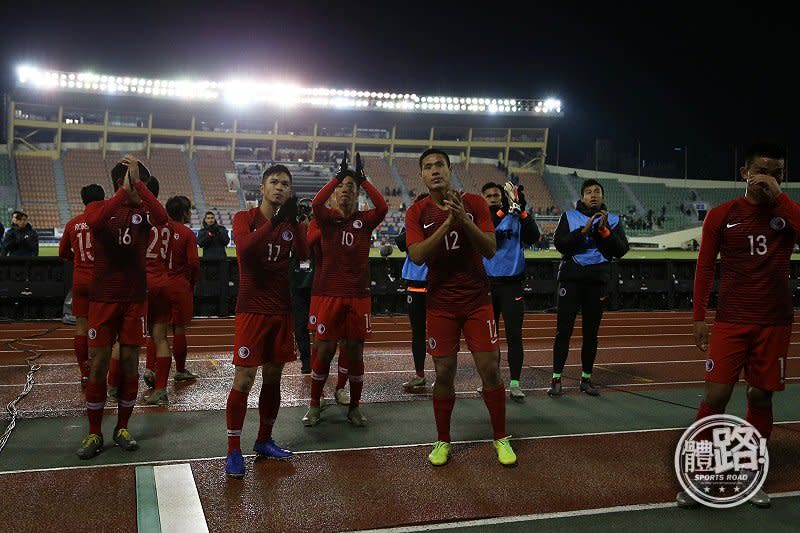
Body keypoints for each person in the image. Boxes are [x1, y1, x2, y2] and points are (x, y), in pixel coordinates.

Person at [676, 142, 797, 509]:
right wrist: (699, 317)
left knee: (760, 396)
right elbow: (705, 267)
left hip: (774, 321)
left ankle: (750, 472)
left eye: (777, 173)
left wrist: (781, 201)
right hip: (731, 320)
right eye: (762, 171)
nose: (769, 179)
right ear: (745, 173)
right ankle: (701, 476)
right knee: (716, 396)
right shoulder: (722, 214)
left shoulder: (788, 213)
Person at [405, 148, 515, 467]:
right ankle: (443, 441)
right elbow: (417, 255)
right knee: (443, 373)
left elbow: (491, 250)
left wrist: (463, 220)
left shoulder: (476, 203)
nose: (435, 170)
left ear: (450, 170)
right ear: (422, 176)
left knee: (491, 369)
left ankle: (501, 438)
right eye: (428, 167)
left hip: (478, 301)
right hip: (440, 304)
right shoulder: (417, 212)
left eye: (440, 164)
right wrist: (448, 223)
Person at [76, 155, 168, 459]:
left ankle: (122, 427)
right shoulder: (99, 206)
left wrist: (139, 185)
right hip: (103, 298)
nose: (138, 186)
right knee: (99, 365)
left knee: (129, 364)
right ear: (120, 181)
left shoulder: (145, 209)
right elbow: (94, 222)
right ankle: (94, 433)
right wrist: (121, 192)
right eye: (133, 179)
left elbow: (163, 218)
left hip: (134, 299)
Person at [224, 164, 309, 478]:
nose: (280, 188)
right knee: (244, 378)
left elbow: (302, 256)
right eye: (274, 182)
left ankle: (264, 439)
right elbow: (245, 250)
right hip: (251, 310)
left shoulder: (288, 223)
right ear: (262, 188)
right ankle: (233, 449)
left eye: (285, 184)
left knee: (273, 378)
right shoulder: (244, 218)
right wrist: (275, 221)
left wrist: (297, 223)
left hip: (281, 310)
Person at [302, 152, 387, 427]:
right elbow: (316, 202)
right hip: (328, 295)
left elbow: (383, 207)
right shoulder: (325, 218)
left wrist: (363, 180)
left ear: (358, 193)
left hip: (358, 296)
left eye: (350, 187)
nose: (344, 191)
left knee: (355, 352)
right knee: (324, 351)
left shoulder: (366, 219)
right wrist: (337, 177)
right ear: (334, 192)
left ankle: (354, 407)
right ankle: (314, 404)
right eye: (340, 187)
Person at [548, 179, 629, 397]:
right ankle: (556, 379)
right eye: (588, 192)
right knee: (563, 331)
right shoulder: (569, 216)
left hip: (596, 283)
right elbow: (559, 244)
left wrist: (604, 232)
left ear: (602, 196)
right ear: (582, 197)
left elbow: (622, 250)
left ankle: (586, 379)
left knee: (591, 334)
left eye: (597, 192)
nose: (593, 195)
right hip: (570, 281)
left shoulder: (612, 220)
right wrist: (583, 231)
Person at [481, 181, 540, 401]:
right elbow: (492, 226)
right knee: (488, 338)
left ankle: (515, 382)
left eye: (497, 194)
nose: (494, 197)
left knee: (514, 335)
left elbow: (534, 237)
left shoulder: (516, 215)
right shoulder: (481, 218)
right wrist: (506, 207)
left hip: (512, 284)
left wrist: (521, 210)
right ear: (483, 199)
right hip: (487, 284)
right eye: (489, 195)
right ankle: (490, 380)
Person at [58, 184, 105, 386]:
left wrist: (78, 258)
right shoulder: (105, 222)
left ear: (83, 200)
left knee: (81, 326)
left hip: (80, 280)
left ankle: (85, 373)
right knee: (102, 327)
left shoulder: (72, 223)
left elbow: (63, 253)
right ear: (102, 198)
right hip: (102, 281)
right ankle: (99, 372)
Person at [395, 192, 429, 390]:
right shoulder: (412, 221)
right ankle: (419, 374)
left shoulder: (440, 222)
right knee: (418, 332)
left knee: (441, 332)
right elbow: (401, 244)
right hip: (415, 282)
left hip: (435, 283)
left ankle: (443, 374)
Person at [166, 195, 200, 386]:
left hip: (159, 284)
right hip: (179, 285)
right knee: (179, 330)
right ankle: (179, 370)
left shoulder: (159, 230)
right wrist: (193, 282)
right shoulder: (186, 234)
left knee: (158, 330)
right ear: (184, 212)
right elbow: (194, 263)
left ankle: (152, 370)